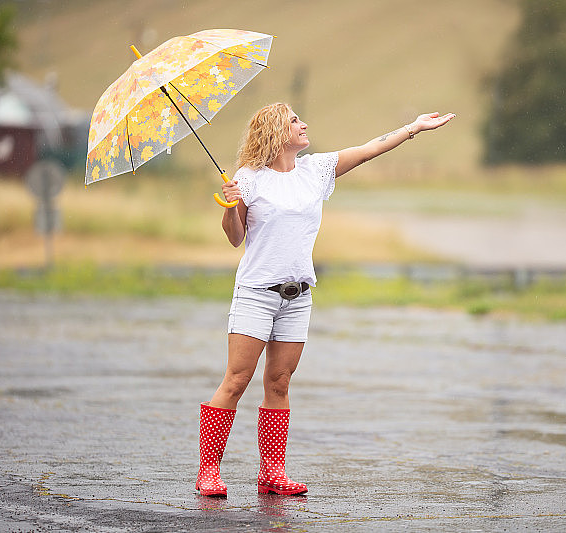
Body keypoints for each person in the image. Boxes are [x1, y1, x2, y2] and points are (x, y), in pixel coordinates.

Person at [195, 102, 455, 497]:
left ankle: (272, 474)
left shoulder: (315, 170)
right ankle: (209, 472)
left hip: (297, 297)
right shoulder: (247, 179)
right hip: (256, 295)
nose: (304, 124)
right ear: (276, 132)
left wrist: (413, 127)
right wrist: (231, 205)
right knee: (236, 380)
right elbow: (234, 237)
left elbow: (369, 149)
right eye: (295, 120)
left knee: (279, 383)